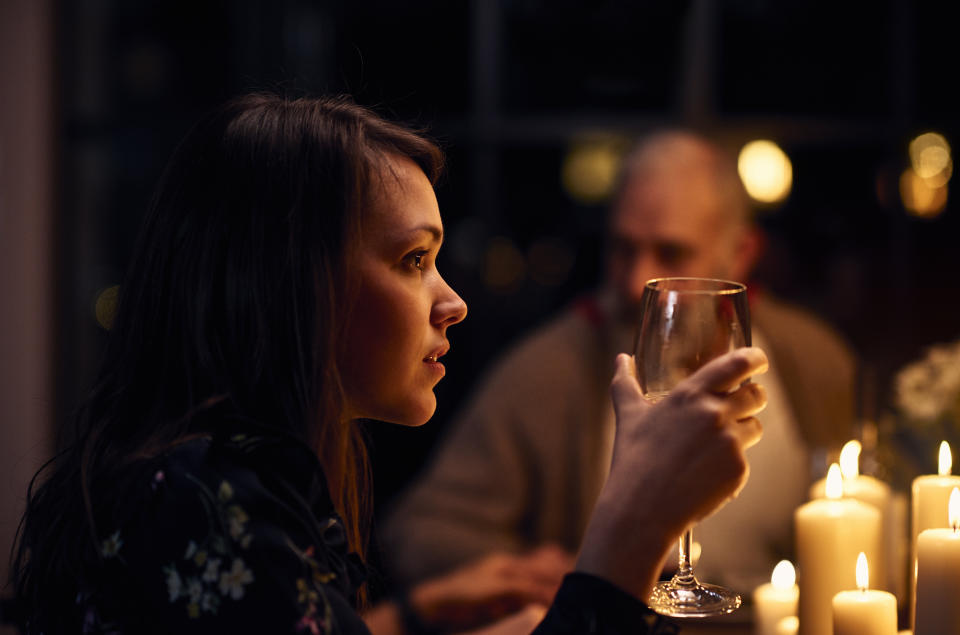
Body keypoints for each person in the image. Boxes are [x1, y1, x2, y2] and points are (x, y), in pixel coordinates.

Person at [9, 96, 768, 635]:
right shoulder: (200, 505)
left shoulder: (236, 481)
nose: (455, 302)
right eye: (413, 260)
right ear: (291, 284)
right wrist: (632, 522)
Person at [383, 131, 856, 594]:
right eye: (623, 249)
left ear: (742, 253)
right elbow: (419, 533)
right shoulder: (546, 372)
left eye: (670, 252)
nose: (635, 283)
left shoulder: (813, 360)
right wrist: (544, 575)